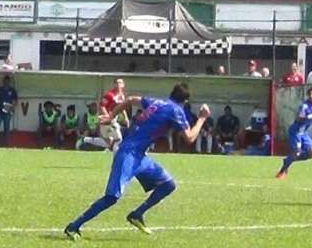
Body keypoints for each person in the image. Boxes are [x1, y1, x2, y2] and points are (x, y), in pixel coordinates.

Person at [64, 83, 212, 240]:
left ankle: (137, 214)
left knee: (168, 184)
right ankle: (73, 227)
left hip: (139, 156)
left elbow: (131, 99)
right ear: (186, 101)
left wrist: (111, 115)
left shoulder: (156, 102)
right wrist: (202, 118)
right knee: (112, 197)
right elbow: (189, 138)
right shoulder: (176, 110)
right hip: (128, 153)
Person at [276, 87, 312, 179]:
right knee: (296, 152)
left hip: (303, 133)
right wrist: (307, 116)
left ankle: (288, 160)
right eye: (310, 94)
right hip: (295, 132)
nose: (311, 96)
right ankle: (282, 172)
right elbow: (298, 118)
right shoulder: (304, 106)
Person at [80, 77, 127, 150]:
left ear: (123, 85)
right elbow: (102, 105)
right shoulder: (110, 95)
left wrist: (126, 118)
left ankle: (85, 140)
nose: (118, 85)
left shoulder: (122, 96)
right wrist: (107, 116)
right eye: (117, 83)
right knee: (118, 139)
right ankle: (116, 159)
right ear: (114, 85)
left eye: (120, 83)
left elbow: (122, 107)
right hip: (106, 121)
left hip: (112, 119)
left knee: (109, 142)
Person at [0, 75, 18, 145]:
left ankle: (6, 143)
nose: (6, 82)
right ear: (3, 81)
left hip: (8, 111)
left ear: (9, 82)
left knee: (7, 128)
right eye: (5, 81)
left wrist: (13, 109)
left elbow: (15, 101)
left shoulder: (12, 90)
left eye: (7, 81)